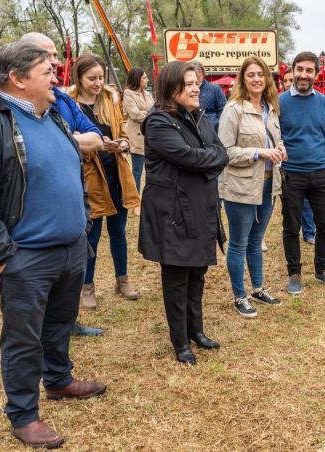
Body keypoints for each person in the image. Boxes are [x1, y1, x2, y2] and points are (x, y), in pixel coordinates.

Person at [0, 42, 106, 448]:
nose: (56, 75)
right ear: (17, 79)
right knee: (23, 337)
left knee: (58, 325)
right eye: (46, 69)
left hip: (70, 249)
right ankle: (22, 414)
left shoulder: (50, 117)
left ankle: (58, 380)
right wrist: (2, 257)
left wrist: (82, 218)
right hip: (26, 258)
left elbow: (70, 171)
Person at [139, 61, 229, 364]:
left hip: (201, 207)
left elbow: (221, 152)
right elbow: (190, 158)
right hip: (174, 213)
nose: (196, 88)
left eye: (196, 83)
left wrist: (211, 157)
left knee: (197, 274)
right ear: (171, 87)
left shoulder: (198, 116)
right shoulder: (158, 122)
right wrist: (211, 157)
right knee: (177, 279)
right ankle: (180, 342)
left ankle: (197, 331)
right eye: (188, 84)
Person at [18, 32, 106, 337]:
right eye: (47, 55)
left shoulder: (63, 100)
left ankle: (68, 327)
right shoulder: (8, 114)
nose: (55, 62)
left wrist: (63, 139)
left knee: (67, 284)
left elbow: (95, 137)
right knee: (31, 318)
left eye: (55, 55)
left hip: (71, 210)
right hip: (34, 227)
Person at [68, 53, 141, 309]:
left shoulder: (112, 98)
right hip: (90, 179)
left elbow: (123, 135)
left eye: (101, 77)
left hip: (116, 174)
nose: (98, 83)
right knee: (92, 235)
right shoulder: (70, 103)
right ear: (79, 77)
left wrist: (121, 144)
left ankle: (122, 280)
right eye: (92, 78)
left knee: (119, 232)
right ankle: (87, 287)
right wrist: (93, 147)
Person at [218, 56, 286, 317]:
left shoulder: (271, 108)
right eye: (251, 75)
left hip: (269, 185)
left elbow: (275, 141)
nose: (257, 79)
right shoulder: (234, 109)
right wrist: (260, 153)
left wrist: (280, 150)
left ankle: (258, 289)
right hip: (241, 186)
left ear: (267, 79)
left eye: (261, 74)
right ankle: (239, 296)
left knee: (257, 241)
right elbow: (224, 152)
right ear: (243, 80)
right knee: (239, 243)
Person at [278, 51, 325, 295]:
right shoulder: (280, 102)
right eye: (300, 69)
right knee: (291, 226)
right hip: (292, 174)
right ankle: (294, 273)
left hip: (322, 173)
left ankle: (322, 269)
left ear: (316, 73)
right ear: (293, 70)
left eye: (309, 70)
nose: (304, 75)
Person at [282, 69, 317, 245]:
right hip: (288, 166)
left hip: (309, 165)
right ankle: (292, 234)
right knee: (290, 206)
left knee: (307, 203)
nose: (288, 83)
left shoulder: (318, 101)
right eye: (285, 80)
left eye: (290, 80)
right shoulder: (280, 102)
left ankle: (310, 232)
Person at [123, 67, 155, 203]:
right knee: (137, 171)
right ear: (138, 79)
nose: (147, 80)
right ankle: (134, 201)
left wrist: (144, 113)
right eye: (145, 77)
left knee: (151, 170)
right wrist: (147, 114)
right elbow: (135, 114)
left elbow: (155, 111)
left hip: (149, 136)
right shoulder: (128, 93)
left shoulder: (147, 94)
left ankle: (149, 199)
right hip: (136, 136)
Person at [194, 61, 227, 130]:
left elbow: (223, 111)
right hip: (193, 131)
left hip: (213, 132)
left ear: (200, 72)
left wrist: (217, 126)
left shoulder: (215, 89)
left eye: (192, 71)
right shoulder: (186, 89)